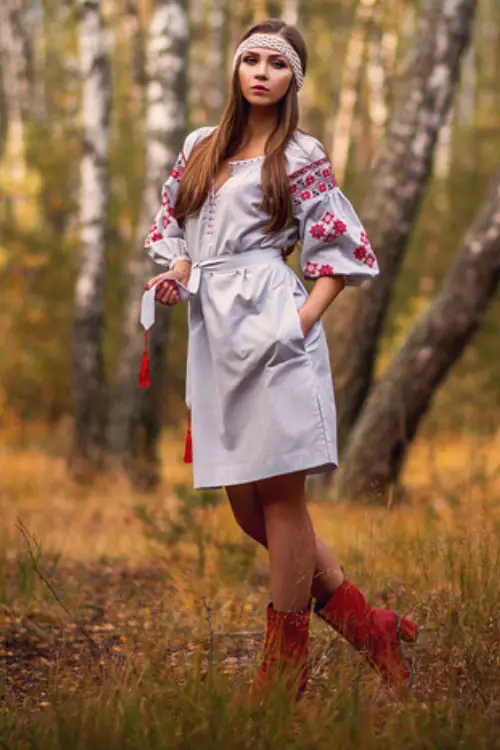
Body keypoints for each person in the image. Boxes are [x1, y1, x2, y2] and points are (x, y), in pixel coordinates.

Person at [141, 18, 419, 703]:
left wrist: (299, 325)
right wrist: (178, 270)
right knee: (246, 507)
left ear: (294, 79)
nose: (262, 71)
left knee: (282, 498)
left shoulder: (303, 154)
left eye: (277, 63)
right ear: (236, 71)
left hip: (272, 324)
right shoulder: (201, 146)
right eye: (252, 60)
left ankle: (286, 666)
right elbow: (176, 223)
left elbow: (340, 248)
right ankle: (369, 626)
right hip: (215, 333)